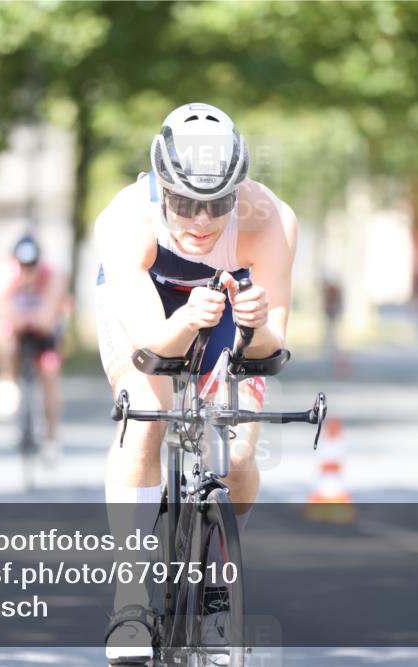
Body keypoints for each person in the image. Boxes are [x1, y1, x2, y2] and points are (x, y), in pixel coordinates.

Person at [95, 102, 297, 665]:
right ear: (160, 187)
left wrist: (253, 324)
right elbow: (151, 343)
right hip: (151, 317)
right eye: (184, 202)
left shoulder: (270, 218)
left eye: (218, 203)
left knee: (237, 450)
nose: (202, 220)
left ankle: (217, 562)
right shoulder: (126, 219)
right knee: (143, 421)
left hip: (229, 310)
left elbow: (271, 348)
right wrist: (185, 322)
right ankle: (130, 598)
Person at [0, 233, 68, 462]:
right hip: (17, 332)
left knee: (50, 372)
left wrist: (33, 318)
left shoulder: (53, 276)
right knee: (6, 342)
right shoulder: (4, 276)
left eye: (32, 265)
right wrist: (25, 319)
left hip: (45, 334)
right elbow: (7, 314)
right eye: (23, 265)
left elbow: (46, 321)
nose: (28, 271)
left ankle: (51, 437)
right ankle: (7, 381)